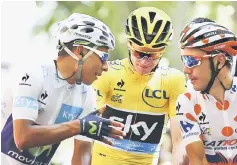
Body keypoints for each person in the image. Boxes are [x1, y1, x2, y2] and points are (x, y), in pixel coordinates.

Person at [1, 13, 126, 165]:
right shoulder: (33, 75)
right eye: (103, 57)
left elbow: (82, 155)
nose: (106, 67)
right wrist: (80, 126)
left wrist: (82, 128)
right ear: (81, 51)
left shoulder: (87, 95)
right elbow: (23, 137)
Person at [72, 7, 186, 165]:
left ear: (163, 50)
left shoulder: (174, 80)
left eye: (152, 55)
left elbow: (179, 142)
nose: (145, 61)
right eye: (139, 53)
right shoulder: (107, 73)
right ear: (129, 44)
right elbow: (83, 136)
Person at [177, 17, 237, 165]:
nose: (185, 70)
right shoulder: (187, 102)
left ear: (219, 61)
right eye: (183, 61)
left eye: (191, 61)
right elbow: (198, 160)